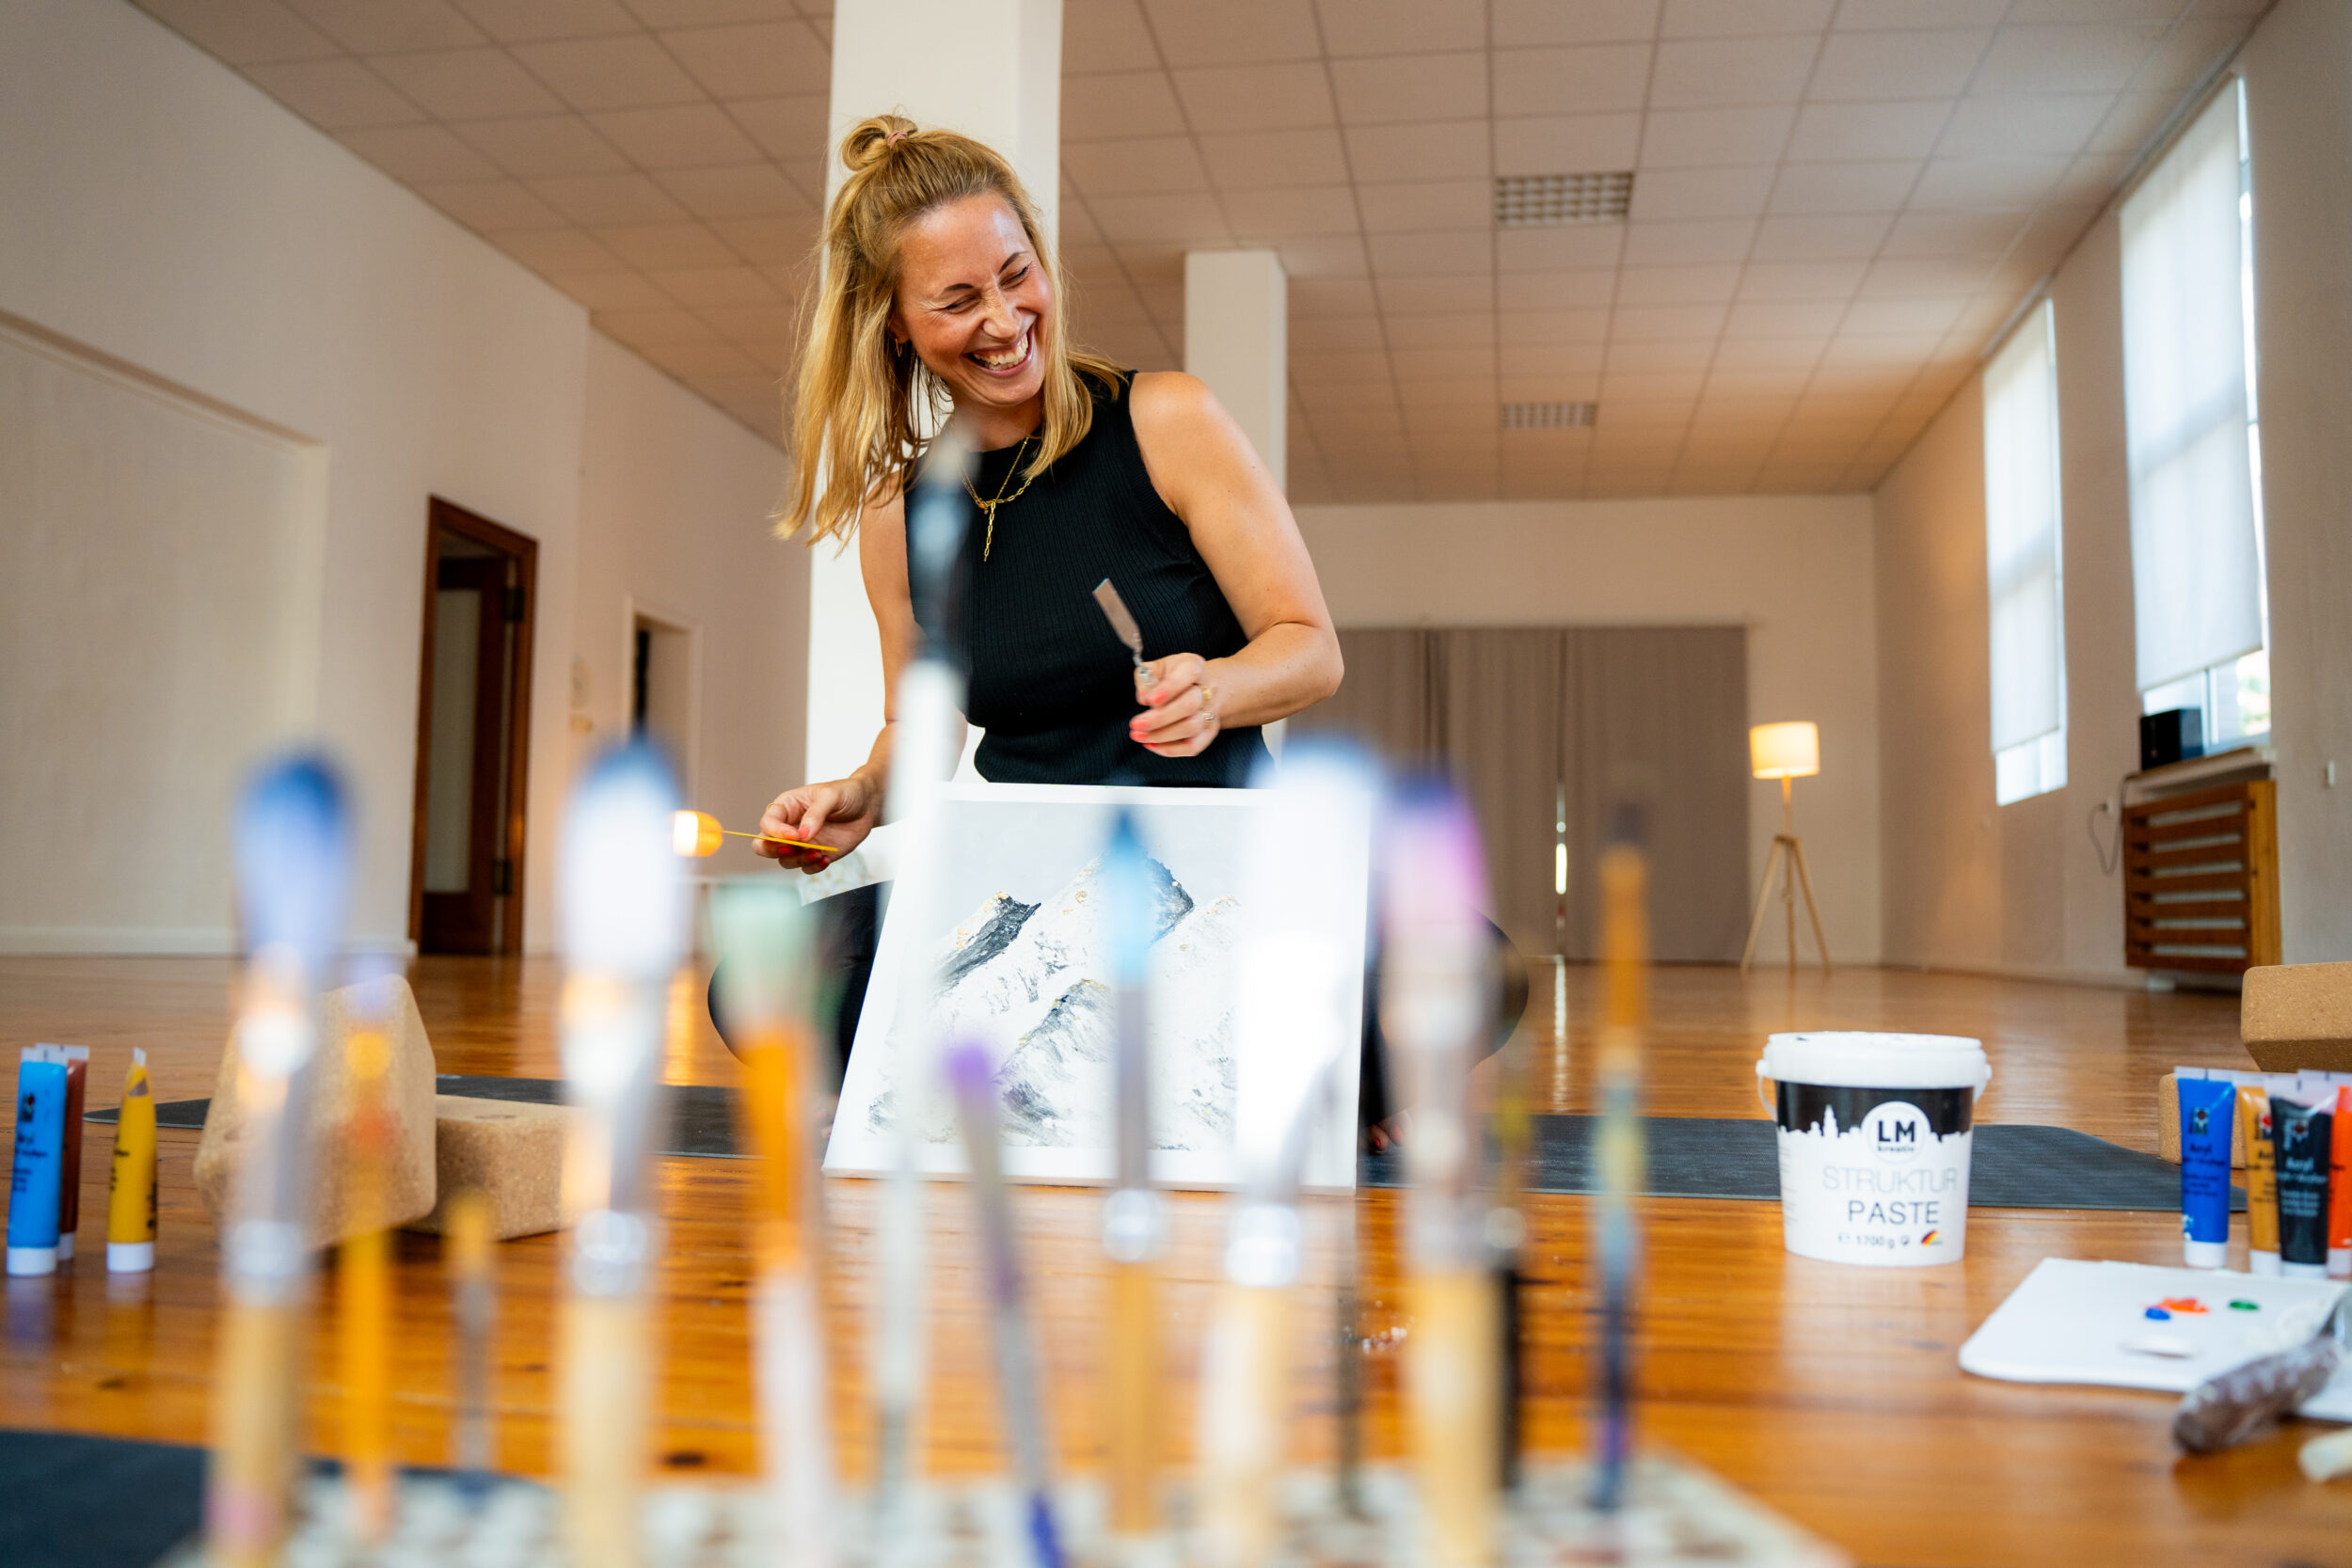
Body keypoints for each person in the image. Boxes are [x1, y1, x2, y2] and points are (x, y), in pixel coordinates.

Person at [723, 114, 1518, 1145]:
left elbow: (1308, 645)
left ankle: (1043, 1076)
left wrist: (1221, 686)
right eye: (959, 299)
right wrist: (860, 797)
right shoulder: (896, 511)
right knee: (753, 984)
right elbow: (917, 732)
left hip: (1227, 881)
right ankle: (1230, 1077)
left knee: (1472, 974)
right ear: (895, 325)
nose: (1007, 319)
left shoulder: (1167, 421)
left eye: (1017, 274)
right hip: (1024, 898)